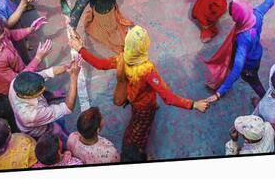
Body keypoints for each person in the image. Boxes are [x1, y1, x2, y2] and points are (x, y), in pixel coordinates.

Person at [68, 25, 210, 157]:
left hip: (132, 99)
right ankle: (139, 153)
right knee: (135, 137)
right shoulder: (148, 70)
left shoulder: (121, 59)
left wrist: (81, 48)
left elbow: (99, 64)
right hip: (145, 106)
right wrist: (193, 104)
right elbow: (168, 97)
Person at [205, 0, 275, 102]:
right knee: (230, 63)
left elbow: (238, 68)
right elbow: (270, 1)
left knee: (253, 81)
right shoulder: (257, 14)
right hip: (256, 52)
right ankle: (219, 82)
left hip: (249, 64)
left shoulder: (243, 39)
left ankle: (265, 100)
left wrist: (218, 94)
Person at [0, 16, 49, 95]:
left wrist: (30, 29)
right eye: (2, 33)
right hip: (15, 87)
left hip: (21, 70)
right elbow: (20, 79)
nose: (5, 32)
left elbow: (11, 34)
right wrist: (38, 58)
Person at [8, 61, 80, 142]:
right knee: (58, 131)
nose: (44, 89)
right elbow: (68, 107)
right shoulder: (32, 114)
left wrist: (66, 67)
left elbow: (47, 73)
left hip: (36, 118)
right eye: (40, 92)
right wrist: (74, 77)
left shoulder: (17, 82)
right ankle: (69, 146)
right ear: (26, 96)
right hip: (40, 130)